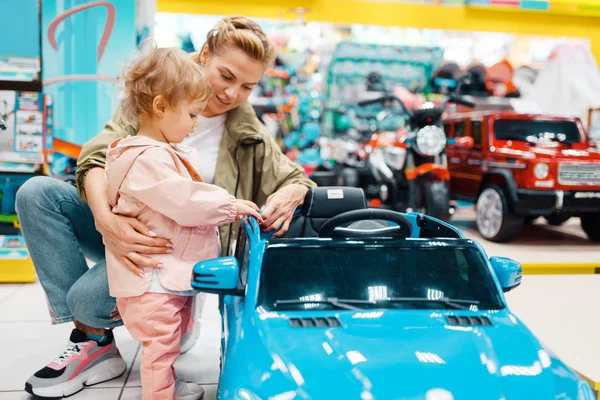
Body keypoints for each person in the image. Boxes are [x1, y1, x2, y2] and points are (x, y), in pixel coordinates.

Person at [16, 15, 315, 399]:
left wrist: (292, 193)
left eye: (247, 86)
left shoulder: (248, 131)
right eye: (226, 75)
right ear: (204, 55)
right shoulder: (160, 94)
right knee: (37, 192)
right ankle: (93, 341)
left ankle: (173, 309)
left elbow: (296, 178)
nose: (231, 93)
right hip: (130, 229)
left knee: (86, 300)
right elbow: (95, 156)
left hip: (171, 253)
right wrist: (107, 221)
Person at [106, 46, 263, 400]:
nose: (195, 124)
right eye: (192, 115)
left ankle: (165, 385)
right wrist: (230, 205)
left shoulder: (158, 153)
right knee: (160, 346)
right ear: (160, 107)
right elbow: (184, 200)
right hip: (153, 281)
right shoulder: (145, 159)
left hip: (166, 276)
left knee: (170, 340)